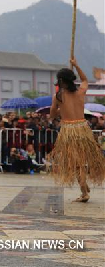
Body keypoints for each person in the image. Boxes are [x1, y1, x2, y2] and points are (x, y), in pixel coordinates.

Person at [49, 59, 105, 202]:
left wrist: (58, 108)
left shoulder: (58, 97)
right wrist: (77, 65)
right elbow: (85, 79)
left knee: (76, 163)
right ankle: (84, 187)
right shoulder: (81, 92)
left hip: (69, 131)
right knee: (80, 161)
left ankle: (84, 190)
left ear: (61, 81)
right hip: (83, 129)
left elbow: (52, 115)